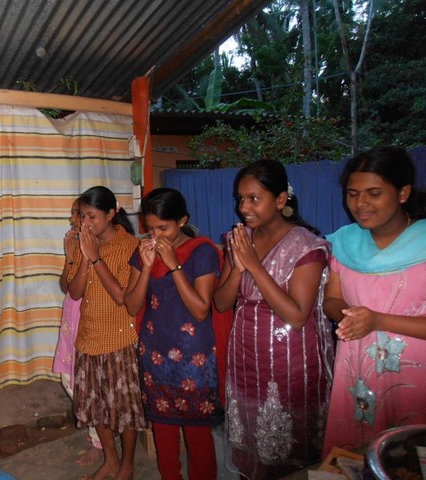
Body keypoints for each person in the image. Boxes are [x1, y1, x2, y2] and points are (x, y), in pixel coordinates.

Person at [213, 160, 334, 479]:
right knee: (251, 444)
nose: (244, 208)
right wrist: (238, 268)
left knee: (289, 453)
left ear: (281, 200)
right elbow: (221, 303)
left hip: (289, 362)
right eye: (241, 198)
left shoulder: (306, 246)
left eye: (254, 198)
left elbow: (297, 315)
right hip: (245, 357)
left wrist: (253, 266)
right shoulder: (240, 239)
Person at [322, 146, 426, 457]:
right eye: (353, 194)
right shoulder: (343, 243)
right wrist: (347, 315)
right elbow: (332, 299)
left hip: (415, 377)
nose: (360, 204)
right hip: (356, 374)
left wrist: (377, 320)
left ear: (403, 193)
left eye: (374, 193)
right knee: (354, 458)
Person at [124, 188, 222, 480]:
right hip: (155, 354)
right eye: (150, 228)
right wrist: (146, 268)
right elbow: (132, 305)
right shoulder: (143, 252)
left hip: (193, 357)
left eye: (163, 228)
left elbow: (201, 310)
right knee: (163, 429)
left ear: (182, 220)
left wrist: (174, 266)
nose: (155, 235)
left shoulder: (202, 251)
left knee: (197, 432)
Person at [67, 186, 145, 480]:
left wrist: (96, 258)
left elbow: (123, 297)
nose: (85, 223)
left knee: (125, 410)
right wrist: (85, 257)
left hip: (119, 341)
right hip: (88, 339)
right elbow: (75, 292)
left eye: (92, 216)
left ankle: (127, 464)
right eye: (82, 216)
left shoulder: (131, 247)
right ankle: (111, 460)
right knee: (96, 406)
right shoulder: (83, 243)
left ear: (111, 214)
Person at [51, 197, 103, 466]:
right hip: (72, 318)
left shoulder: (99, 245)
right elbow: (65, 286)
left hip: (89, 320)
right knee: (70, 379)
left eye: (77, 214)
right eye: (75, 214)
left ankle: (99, 441)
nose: (72, 219)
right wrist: (70, 257)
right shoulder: (76, 242)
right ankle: (100, 434)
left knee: (88, 385)